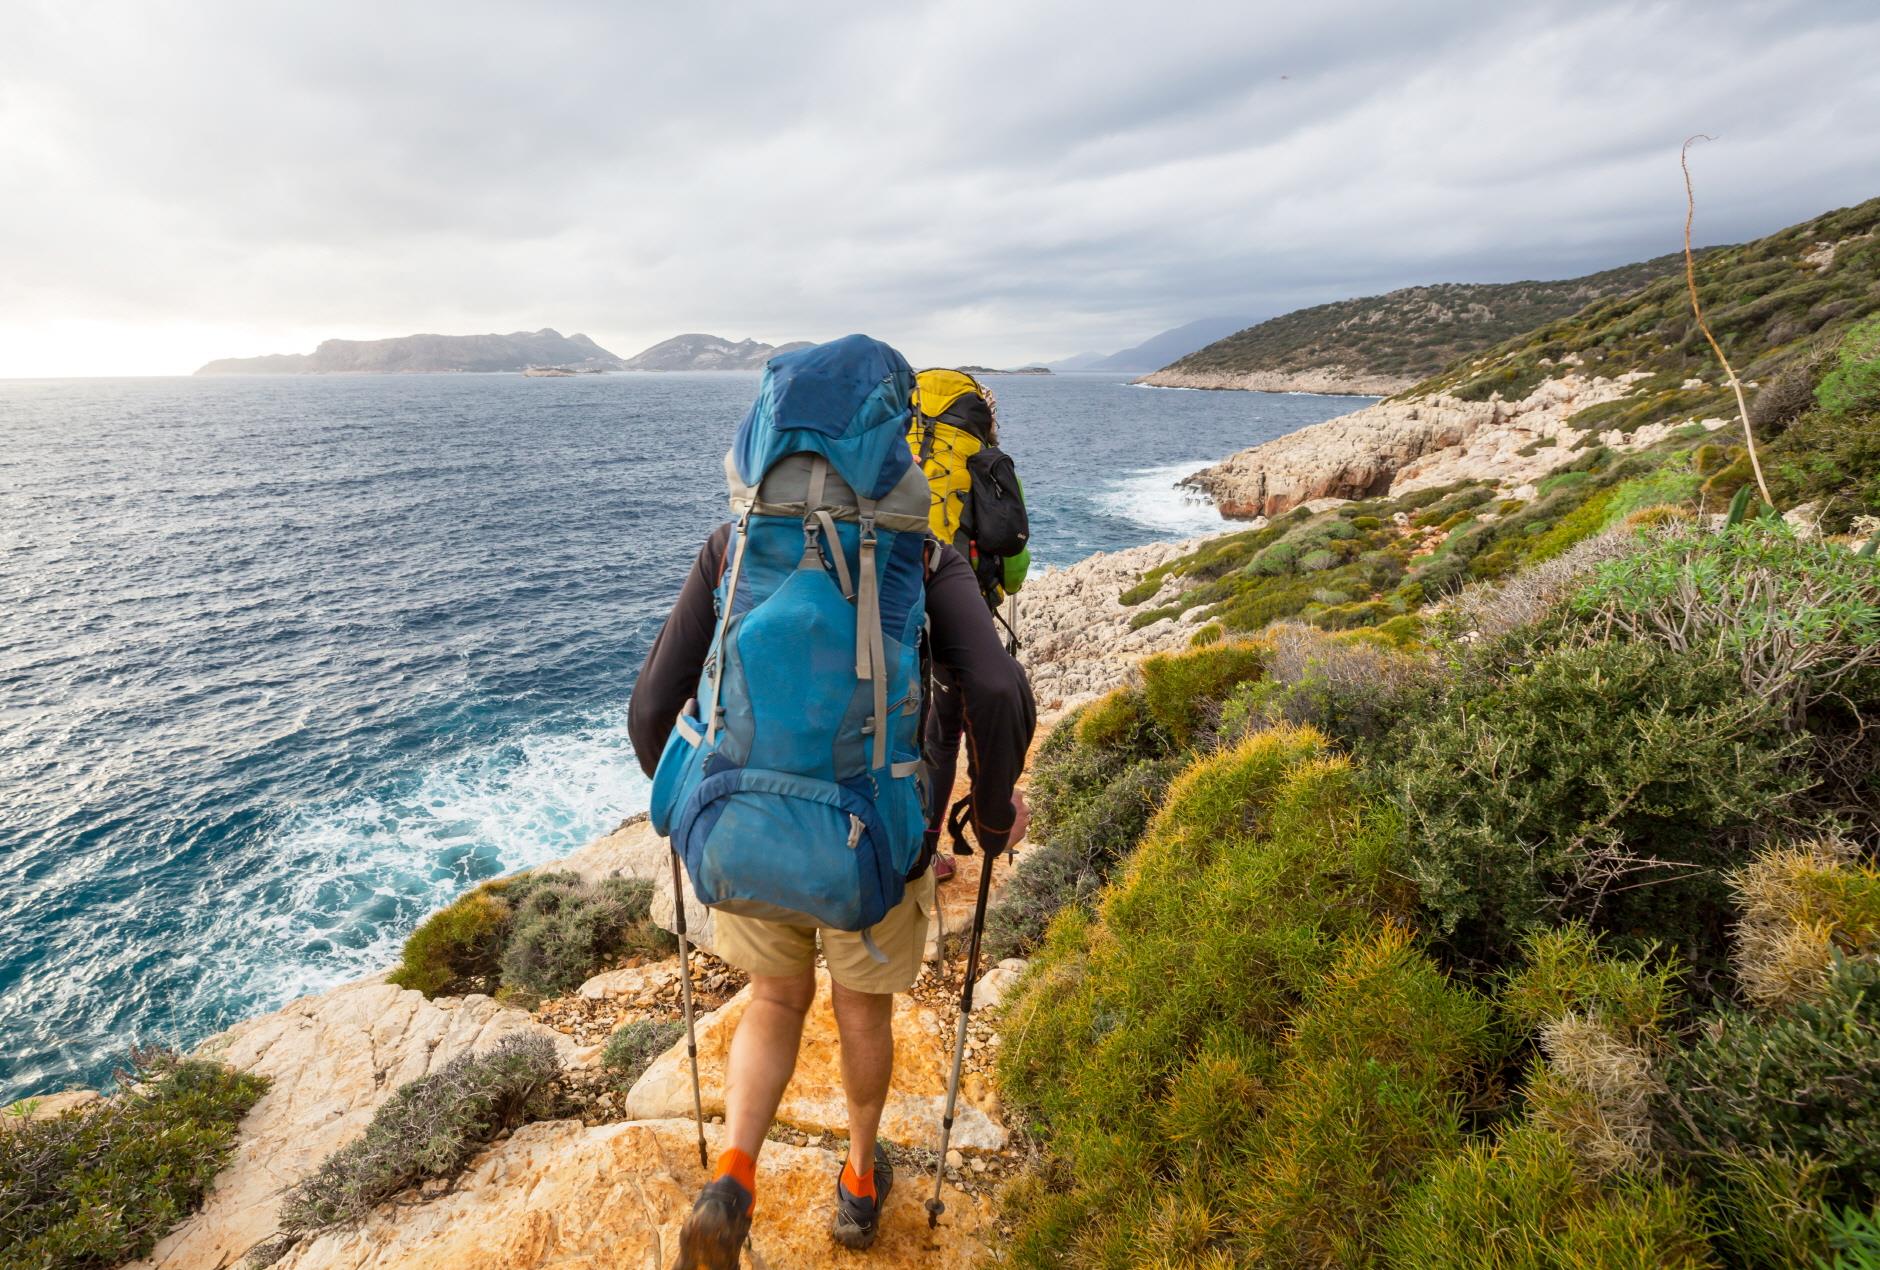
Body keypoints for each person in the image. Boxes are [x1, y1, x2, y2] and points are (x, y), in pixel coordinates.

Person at [629, 336, 1036, 1268]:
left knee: (772, 1000)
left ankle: (732, 1175)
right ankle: (858, 1185)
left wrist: (692, 815)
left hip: (744, 830)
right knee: (861, 1013)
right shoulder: (921, 557)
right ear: (892, 437)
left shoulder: (734, 544)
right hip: (871, 839)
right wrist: (996, 807)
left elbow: (652, 707)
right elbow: (999, 691)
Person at [905, 369, 1032, 882]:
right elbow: (1015, 557)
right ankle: (943, 842)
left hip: (888, 610)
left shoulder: (893, 453)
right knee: (947, 730)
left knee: (904, 727)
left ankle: (906, 843)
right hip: (961, 613)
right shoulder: (986, 462)